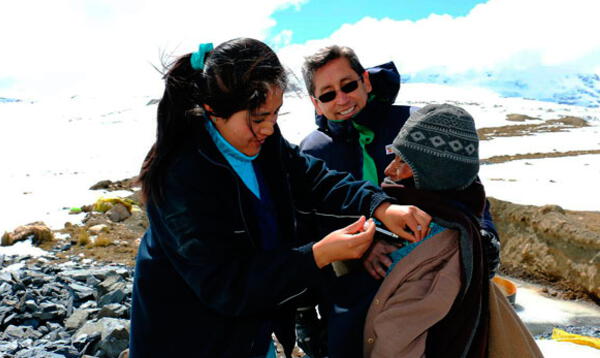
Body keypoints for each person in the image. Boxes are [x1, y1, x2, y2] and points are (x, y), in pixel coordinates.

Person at [129, 38, 432, 357]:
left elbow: (317, 178)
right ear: (213, 111)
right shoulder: (183, 176)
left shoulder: (264, 145)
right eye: (259, 118)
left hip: (249, 336)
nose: (269, 129)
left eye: (275, 115)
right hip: (188, 342)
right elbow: (227, 286)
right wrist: (318, 255)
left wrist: (381, 206)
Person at [295, 46, 501, 357]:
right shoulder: (312, 152)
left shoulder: (409, 124)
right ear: (315, 102)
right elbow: (304, 229)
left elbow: (464, 183)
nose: (342, 99)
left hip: (428, 281)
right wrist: (305, 317)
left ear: (365, 80)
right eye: (327, 94)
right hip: (348, 289)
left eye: (348, 85)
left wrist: (484, 235)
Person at [359, 103, 541, 357]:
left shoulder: (436, 247)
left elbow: (397, 341)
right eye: (394, 157)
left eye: (404, 162)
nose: (389, 171)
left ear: (434, 175)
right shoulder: (430, 221)